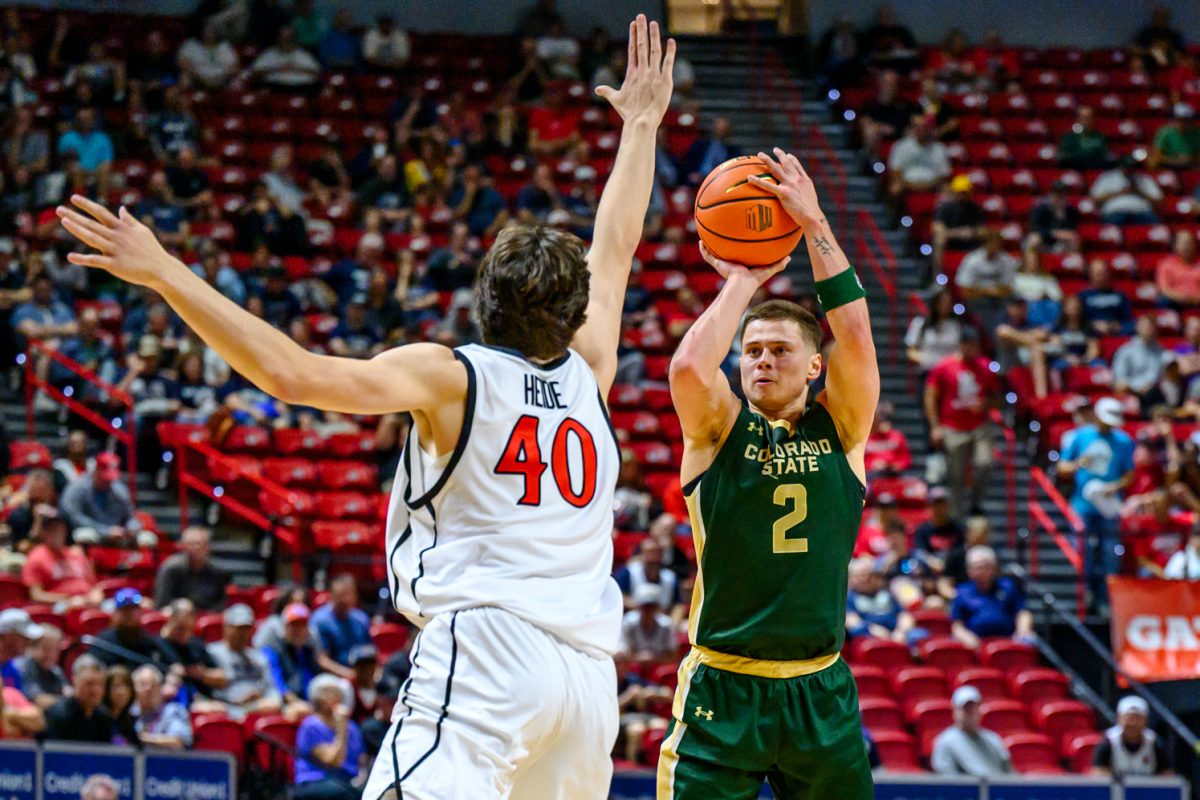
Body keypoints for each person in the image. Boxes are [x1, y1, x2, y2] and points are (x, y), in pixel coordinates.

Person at [58, 16, 673, 797]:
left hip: (490, 648)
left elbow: (291, 374)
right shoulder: (592, 368)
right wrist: (642, 126)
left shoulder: (451, 375)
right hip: (589, 682)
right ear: (574, 306)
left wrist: (166, 273)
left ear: (483, 299)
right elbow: (615, 241)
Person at [662, 146, 878, 797]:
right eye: (751, 351)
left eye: (780, 350)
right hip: (723, 688)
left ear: (815, 366)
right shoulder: (718, 430)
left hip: (821, 690)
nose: (760, 361)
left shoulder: (839, 428)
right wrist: (743, 280)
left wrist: (814, 225)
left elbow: (858, 338)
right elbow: (688, 371)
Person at [1059, 397, 1136, 604]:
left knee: (1111, 553)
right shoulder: (1080, 437)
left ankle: (1106, 598)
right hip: (1082, 504)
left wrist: (1114, 486)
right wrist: (1078, 464)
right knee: (1082, 551)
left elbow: (1130, 475)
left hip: (1109, 505)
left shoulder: (1124, 441)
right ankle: (1084, 595)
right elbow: (1062, 467)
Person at [924, 329, 1000, 518]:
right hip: (953, 426)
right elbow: (930, 396)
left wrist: (986, 404)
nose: (971, 349)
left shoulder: (985, 366)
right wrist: (935, 427)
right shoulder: (944, 367)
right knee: (956, 474)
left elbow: (998, 397)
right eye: (968, 345)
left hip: (979, 425)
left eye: (974, 345)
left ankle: (976, 503)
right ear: (961, 345)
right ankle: (956, 516)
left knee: (985, 463)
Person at [206, 604, 289, 719]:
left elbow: (271, 688)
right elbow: (208, 688)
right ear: (226, 627)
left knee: (277, 706)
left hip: (257, 706)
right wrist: (236, 700)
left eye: (246, 629)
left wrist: (260, 695)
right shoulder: (212, 653)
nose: (242, 633)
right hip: (226, 706)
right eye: (239, 628)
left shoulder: (258, 657)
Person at [294, 673, 364, 800]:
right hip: (316, 780)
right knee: (347, 794)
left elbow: (362, 761)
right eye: (326, 692)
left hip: (347, 781)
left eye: (335, 692)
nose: (332, 697)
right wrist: (342, 727)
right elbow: (334, 761)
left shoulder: (352, 727)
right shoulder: (311, 725)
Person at [950, 546, 1034, 648]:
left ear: (994, 568)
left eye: (985, 567)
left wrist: (1023, 631)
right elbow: (957, 625)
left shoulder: (1008, 586)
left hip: (1007, 643)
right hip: (975, 645)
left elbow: (1023, 613)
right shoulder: (962, 591)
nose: (981, 571)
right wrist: (967, 638)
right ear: (969, 570)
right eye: (977, 567)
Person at [20, 505, 103, 607]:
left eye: (59, 528)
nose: (57, 533)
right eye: (52, 529)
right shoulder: (36, 558)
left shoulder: (77, 554)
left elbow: (94, 585)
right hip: (59, 606)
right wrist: (68, 600)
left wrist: (96, 596)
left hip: (88, 602)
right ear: (43, 533)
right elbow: (36, 595)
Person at [60, 452, 149, 547]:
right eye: (105, 477)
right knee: (86, 535)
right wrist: (105, 530)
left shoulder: (120, 490)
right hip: (88, 533)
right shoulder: (77, 488)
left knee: (147, 538)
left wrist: (131, 528)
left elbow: (130, 517)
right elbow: (73, 517)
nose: (108, 481)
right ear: (96, 471)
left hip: (117, 535)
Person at [931, 685, 1014, 776]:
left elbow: (1009, 774)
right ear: (954, 711)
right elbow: (947, 780)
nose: (969, 712)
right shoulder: (945, 741)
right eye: (965, 708)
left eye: (972, 707)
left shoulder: (993, 739)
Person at [954, 228, 1019, 333]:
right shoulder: (972, 260)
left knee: (1011, 307)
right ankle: (998, 334)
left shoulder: (1006, 260)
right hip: (978, 302)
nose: (996, 247)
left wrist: (993, 291)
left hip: (1000, 301)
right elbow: (965, 290)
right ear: (986, 243)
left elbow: (1009, 288)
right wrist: (987, 291)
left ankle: (1005, 333)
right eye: (993, 243)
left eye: (998, 244)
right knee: (987, 312)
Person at [1093, 695, 1172, 778]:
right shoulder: (1108, 741)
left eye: (1138, 718)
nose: (1133, 723)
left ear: (1145, 720)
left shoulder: (1155, 742)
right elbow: (1099, 773)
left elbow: (1167, 775)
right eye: (1128, 718)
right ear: (1119, 719)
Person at [153, 525, 228, 610]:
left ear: (208, 547)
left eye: (200, 544)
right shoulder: (170, 569)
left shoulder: (216, 571)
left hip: (206, 614)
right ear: (183, 547)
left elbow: (220, 602)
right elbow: (161, 603)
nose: (196, 548)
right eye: (191, 544)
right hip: (176, 614)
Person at [44, 654, 114, 743]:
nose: (95, 690)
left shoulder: (104, 717)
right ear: (74, 680)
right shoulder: (59, 713)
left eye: (100, 684)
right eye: (89, 683)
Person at [89, 588, 164, 670]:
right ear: (115, 614)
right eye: (124, 610)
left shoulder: (148, 641)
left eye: (132, 610)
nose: (128, 615)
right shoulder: (103, 641)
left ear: (140, 612)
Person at [308, 575, 372, 669]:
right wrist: (349, 675)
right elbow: (321, 660)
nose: (345, 599)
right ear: (331, 596)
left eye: (348, 594)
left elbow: (368, 652)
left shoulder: (362, 619)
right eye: (341, 595)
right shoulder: (319, 620)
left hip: (360, 672)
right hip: (331, 676)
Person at [263, 603, 321, 706]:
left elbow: (313, 680)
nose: (298, 631)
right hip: (285, 703)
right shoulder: (273, 650)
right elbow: (276, 684)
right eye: (293, 625)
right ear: (284, 627)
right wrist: (297, 702)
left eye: (302, 625)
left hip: (309, 702)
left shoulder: (308, 651)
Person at [846, 558, 915, 643]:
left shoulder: (886, 593)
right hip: (870, 636)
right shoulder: (849, 598)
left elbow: (904, 615)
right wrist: (876, 632)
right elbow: (852, 622)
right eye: (860, 575)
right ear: (851, 579)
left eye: (869, 574)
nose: (865, 578)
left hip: (897, 634)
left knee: (919, 635)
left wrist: (901, 632)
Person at [886, 115, 951, 204]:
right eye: (917, 127)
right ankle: (897, 216)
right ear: (912, 128)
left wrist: (926, 185)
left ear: (929, 129)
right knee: (895, 188)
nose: (921, 130)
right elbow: (895, 170)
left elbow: (944, 174)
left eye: (924, 127)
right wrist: (908, 184)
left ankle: (939, 217)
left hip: (932, 184)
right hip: (906, 182)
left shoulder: (939, 148)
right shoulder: (901, 145)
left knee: (948, 191)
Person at [931, 175, 985, 275]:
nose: (962, 196)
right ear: (954, 192)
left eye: (965, 193)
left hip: (970, 242)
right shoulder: (944, 208)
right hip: (950, 242)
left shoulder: (975, 208)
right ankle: (938, 276)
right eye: (959, 193)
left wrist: (972, 232)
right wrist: (958, 233)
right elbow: (937, 229)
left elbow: (982, 230)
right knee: (938, 240)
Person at [617, 584, 678, 669]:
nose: (648, 610)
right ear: (638, 607)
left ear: (657, 607)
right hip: (633, 669)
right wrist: (638, 658)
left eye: (652, 606)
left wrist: (654, 659)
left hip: (658, 669)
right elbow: (622, 654)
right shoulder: (628, 623)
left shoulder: (666, 625)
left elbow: (674, 656)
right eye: (645, 606)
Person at [1090, 155, 1163, 226]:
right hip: (1115, 212)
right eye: (1125, 167)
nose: (1128, 169)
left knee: (1154, 221)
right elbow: (1095, 199)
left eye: (1131, 167)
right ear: (1119, 166)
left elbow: (1159, 201)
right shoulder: (1107, 178)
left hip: (1141, 212)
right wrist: (1119, 193)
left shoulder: (1144, 179)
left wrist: (1138, 192)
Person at [131, 664, 192, 749]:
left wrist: (142, 739)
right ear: (133, 688)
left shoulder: (173, 711)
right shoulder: (128, 712)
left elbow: (179, 742)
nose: (148, 689)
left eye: (153, 685)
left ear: (160, 688)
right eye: (143, 684)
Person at [1113, 316, 1167, 406]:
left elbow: (1162, 375)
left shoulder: (1161, 352)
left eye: (1150, 326)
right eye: (1144, 326)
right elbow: (1119, 380)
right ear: (1137, 327)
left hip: (1155, 392)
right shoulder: (1126, 350)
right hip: (1132, 392)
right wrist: (1136, 388)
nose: (1147, 329)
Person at [905, 288, 964, 372]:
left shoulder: (956, 325)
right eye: (942, 302)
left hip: (950, 372)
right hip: (928, 371)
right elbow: (911, 350)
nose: (945, 306)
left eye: (948, 302)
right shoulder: (920, 323)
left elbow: (961, 349)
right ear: (935, 303)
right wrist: (926, 360)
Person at [13, 624, 67, 709]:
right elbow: (38, 700)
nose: (51, 655)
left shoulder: (55, 670)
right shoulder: (24, 666)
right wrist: (68, 701)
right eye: (46, 649)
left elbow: (68, 691)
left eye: (55, 649)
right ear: (32, 648)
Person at [1057, 106, 1111, 171]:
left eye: (1088, 118)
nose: (1085, 121)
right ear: (1077, 119)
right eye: (1082, 118)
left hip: (1095, 171)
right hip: (1073, 172)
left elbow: (1104, 157)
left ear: (1093, 119)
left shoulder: (1100, 137)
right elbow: (1063, 158)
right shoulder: (1068, 137)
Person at [1156, 230, 1200, 307]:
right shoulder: (1166, 264)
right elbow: (1164, 289)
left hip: (1197, 300)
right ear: (1175, 246)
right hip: (1175, 301)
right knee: (1163, 300)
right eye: (1183, 243)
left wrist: (1195, 298)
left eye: (1189, 243)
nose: (1186, 246)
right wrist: (1181, 297)